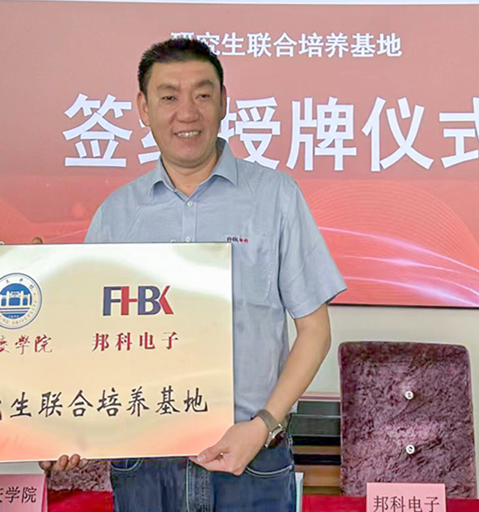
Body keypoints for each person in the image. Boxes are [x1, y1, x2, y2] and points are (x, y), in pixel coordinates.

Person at [84, 39, 347, 512]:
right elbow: (87, 338)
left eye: (203, 95)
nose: (187, 112)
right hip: (145, 461)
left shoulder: (275, 197)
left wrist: (263, 425)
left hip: (252, 457)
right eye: (169, 96)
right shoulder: (116, 215)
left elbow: (315, 331)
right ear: (143, 108)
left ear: (224, 101)